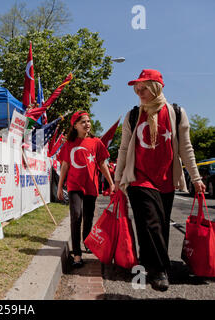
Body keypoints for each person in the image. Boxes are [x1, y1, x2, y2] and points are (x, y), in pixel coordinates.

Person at [114, 69, 205, 291]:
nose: (139, 91)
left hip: (165, 180)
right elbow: (124, 148)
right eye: (137, 88)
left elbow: (185, 148)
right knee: (151, 221)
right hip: (139, 178)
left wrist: (196, 178)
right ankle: (160, 270)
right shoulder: (133, 115)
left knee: (160, 225)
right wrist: (118, 179)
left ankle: (148, 262)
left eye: (143, 87)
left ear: (156, 87)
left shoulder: (176, 113)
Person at [57, 111, 115, 268]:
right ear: (75, 125)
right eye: (83, 122)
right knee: (76, 215)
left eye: (88, 121)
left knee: (88, 217)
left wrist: (111, 183)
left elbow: (102, 164)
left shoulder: (96, 142)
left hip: (91, 186)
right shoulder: (69, 144)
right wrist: (60, 186)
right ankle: (77, 254)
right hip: (74, 185)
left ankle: (87, 241)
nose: (87, 124)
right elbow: (65, 166)